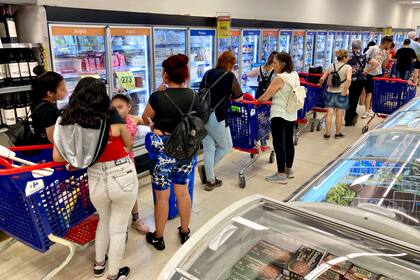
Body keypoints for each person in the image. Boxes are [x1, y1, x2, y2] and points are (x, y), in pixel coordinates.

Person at [53, 78, 135, 280]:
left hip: (95, 176)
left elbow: (57, 157)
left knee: (103, 221)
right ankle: (114, 275)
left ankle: (99, 265)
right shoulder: (110, 115)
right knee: (118, 229)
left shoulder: (67, 119)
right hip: (121, 173)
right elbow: (129, 145)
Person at [142, 54, 198, 250]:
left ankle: (158, 237)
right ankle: (184, 231)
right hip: (186, 148)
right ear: (185, 74)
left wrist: (153, 124)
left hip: (162, 149)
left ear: (165, 75)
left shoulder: (158, 96)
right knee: (183, 192)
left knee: (162, 196)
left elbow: (144, 118)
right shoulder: (193, 95)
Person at [197, 51, 243, 191]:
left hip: (203, 115)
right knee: (225, 147)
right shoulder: (229, 76)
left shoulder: (208, 73)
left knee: (209, 148)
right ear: (230, 64)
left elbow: (200, 91)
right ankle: (208, 173)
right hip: (218, 117)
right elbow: (238, 97)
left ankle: (210, 178)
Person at [257, 52, 300, 184]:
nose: (273, 65)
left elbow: (266, 96)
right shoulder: (294, 74)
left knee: (278, 143)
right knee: (288, 141)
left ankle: (280, 174)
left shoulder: (279, 78)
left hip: (279, 114)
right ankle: (288, 170)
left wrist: (257, 100)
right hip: (291, 112)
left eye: (275, 63)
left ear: (283, 64)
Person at [111, 94, 150, 234]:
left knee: (132, 191)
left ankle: (136, 219)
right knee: (117, 193)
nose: (117, 110)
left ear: (129, 107)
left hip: (129, 160)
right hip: (114, 163)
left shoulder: (133, 119)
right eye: (114, 108)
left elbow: (148, 120)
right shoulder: (110, 122)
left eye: (120, 107)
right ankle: (118, 224)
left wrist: (152, 125)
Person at [318, 50, 352, 139]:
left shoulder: (331, 66)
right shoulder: (348, 67)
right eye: (347, 57)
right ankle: (337, 133)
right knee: (339, 114)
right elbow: (348, 79)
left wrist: (320, 85)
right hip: (341, 93)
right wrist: (345, 90)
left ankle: (327, 134)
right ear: (344, 58)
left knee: (329, 113)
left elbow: (322, 78)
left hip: (330, 92)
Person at [31, 71, 67, 144]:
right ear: (50, 93)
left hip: (39, 142)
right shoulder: (49, 110)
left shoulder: (38, 103)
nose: (66, 91)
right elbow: (53, 139)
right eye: (63, 89)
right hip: (46, 148)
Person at [362, 36, 393, 119]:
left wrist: (387, 57)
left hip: (378, 73)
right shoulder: (373, 48)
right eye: (389, 44)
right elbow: (365, 57)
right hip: (369, 73)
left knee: (375, 93)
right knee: (369, 92)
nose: (390, 46)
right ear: (385, 42)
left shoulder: (385, 52)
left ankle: (371, 109)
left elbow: (384, 66)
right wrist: (370, 66)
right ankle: (366, 111)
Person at [345, 41, 366, 127]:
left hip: (349, 80)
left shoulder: (347, 56)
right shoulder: (364, 56)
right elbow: (375, 63)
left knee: (349, 99)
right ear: (360, 47)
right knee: (355, 100)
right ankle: (350, 118)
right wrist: (366, 71)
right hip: (359, 81)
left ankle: (348, 118)